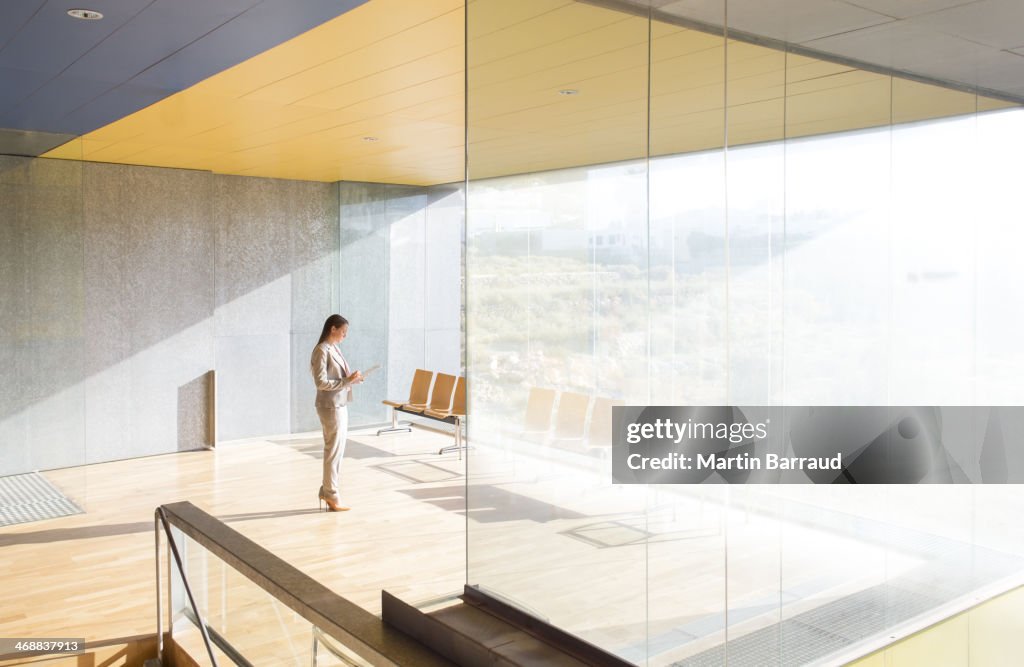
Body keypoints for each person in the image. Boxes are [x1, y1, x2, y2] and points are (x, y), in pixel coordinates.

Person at [311, 314, 364, 512]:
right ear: (333, 329)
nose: (344, 336)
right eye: (343, 332)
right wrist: (346, 381)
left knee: (337, 451)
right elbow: (321, 382)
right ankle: (331, 494)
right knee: (333, 452)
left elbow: (340, 378)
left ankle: (328, 491)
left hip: (339, 404)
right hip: (330, 407)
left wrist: (352, 380)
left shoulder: (334, 349)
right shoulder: (321, 351)